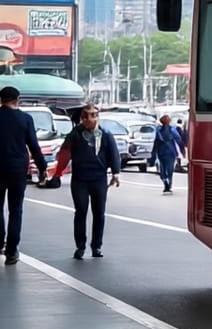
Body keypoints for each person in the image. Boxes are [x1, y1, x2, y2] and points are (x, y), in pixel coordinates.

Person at [57, 105, 121, 260]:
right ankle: (80, 245)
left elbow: (114, 154)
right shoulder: (75, 134)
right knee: (81, 211)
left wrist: (115, 173)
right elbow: (64, 154)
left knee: (99, 213)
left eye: (93, 115)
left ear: (98, 117)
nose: (90, 119)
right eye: (86, 116)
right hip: (80, 179)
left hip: (99, 178)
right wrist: (58, 172)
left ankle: (96, 246)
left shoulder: (105, 134)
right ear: (82, 118)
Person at [0, 86, 47, 265]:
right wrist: (42, 168)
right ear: (17, 99)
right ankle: (11, 251)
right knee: (15, 210)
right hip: (18, 170)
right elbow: (34, 146)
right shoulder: (25, 119)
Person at [150, 114, 183, 193]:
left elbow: (156, 142)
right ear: (169, 121)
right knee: (170, 169)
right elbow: (178, 140)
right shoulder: (172, 130)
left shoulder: (158, 130)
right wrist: (182, 150)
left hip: (161, 152)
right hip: (171, 152)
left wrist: (153, 153)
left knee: (163, 169)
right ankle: (168, 184)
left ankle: (165, 181)